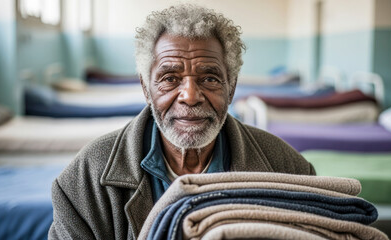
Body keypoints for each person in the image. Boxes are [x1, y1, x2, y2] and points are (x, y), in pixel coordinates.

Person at [48, 4, 315, 240]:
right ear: (146, 89)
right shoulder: (84, 180)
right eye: (170, 79)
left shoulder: (290, 171)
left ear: (231, 88)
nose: (190, 96)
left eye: (209, 78)